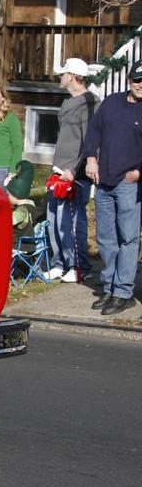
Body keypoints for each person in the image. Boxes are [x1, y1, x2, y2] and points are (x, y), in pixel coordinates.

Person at [82, 59, 142, 316]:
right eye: (138, 80)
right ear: (130, 80)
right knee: (107, 239)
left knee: (128, 239)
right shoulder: (111, 102)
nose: (141, 85)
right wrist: (91, 159)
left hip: (129, 183)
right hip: (103, 180)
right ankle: (109, 287)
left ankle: (123, 292)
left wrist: (137, 173)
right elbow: (93, 132)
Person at [45, 57, 97, 284]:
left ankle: (78, 266)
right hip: (58, 169)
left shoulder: (91, 103)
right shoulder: (67, 103)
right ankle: (59, 263)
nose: (60, 77)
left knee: (72, 222)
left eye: (63, 74)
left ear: (73, 76)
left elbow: (90, 142)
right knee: (54, 218)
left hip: (75, 174)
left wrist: (75, 171)